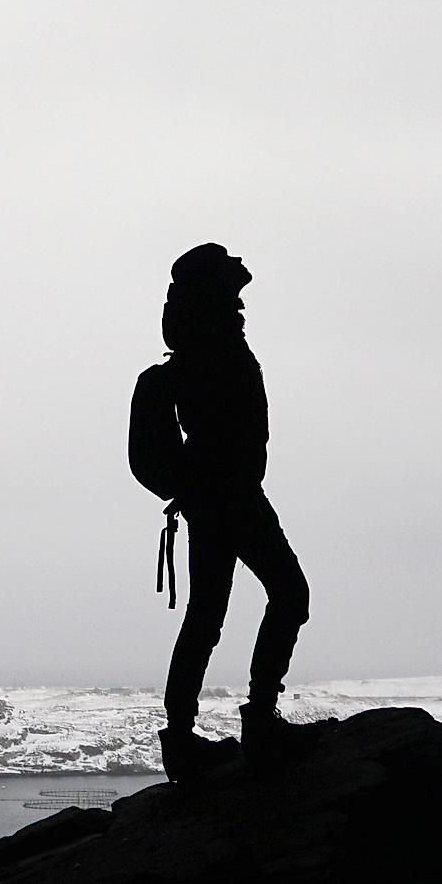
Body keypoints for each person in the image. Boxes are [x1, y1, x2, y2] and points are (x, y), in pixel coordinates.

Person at [157, 241, 319, 782]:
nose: (241, 285)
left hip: (214, 496)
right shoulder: (215, 343)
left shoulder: (199, 340)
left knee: (205, 616)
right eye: (231, 280)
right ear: (215, 289)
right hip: (232, 495)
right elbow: (230, 428)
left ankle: (183, 739)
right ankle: (260, 721)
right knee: (289, 594)